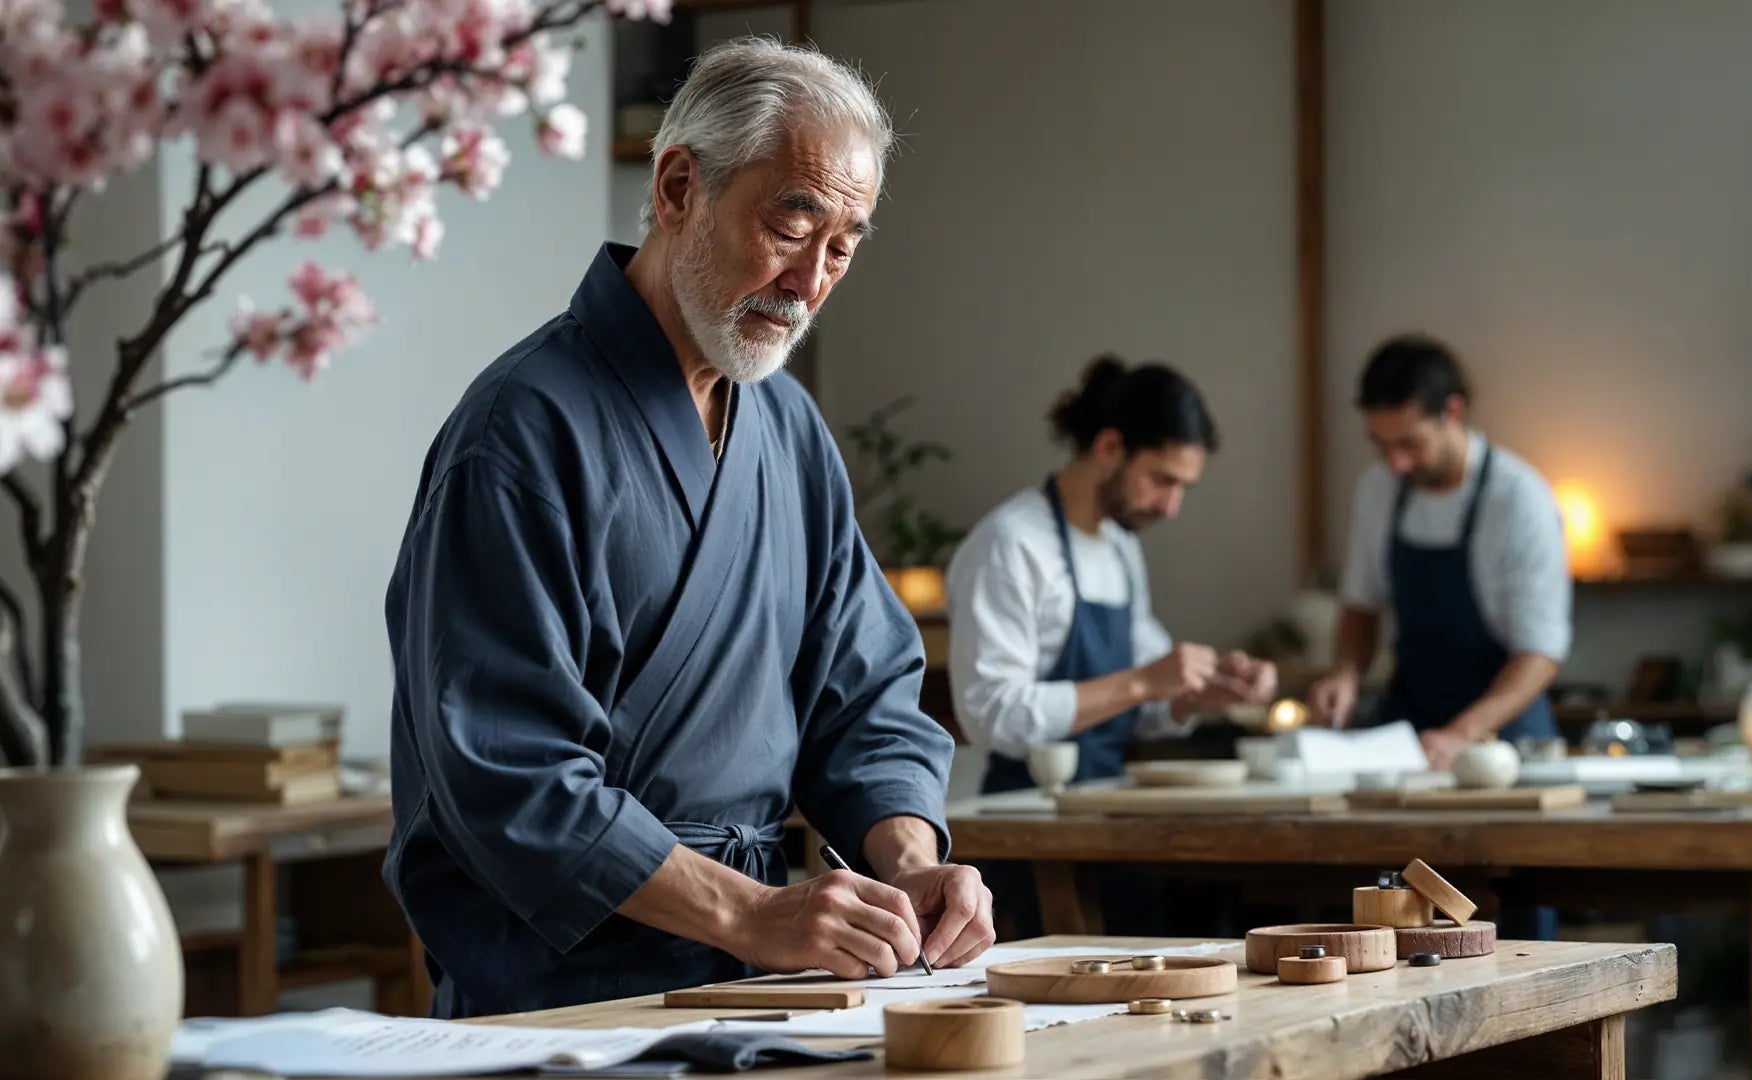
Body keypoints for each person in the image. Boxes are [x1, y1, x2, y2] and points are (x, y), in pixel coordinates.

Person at [380, 37, 993, 1020]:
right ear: (678, 188)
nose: (810, 281)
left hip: (761, 986)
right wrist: (747, 913)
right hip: (559, 996)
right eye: (793, 225)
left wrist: (909, 860)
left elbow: (864, 693)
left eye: (843, 246)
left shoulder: (787, 431)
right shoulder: (520, 435)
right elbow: (510, 772)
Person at [943, 356, 1276, 935]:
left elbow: (1143, 704)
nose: (1172, 505)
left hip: (1111, 820)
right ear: (1109, 447)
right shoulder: (1012, 544)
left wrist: (1201, 693)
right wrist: (1145, 680)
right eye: (1163, 480)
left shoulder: (1120, 549)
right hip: (1029, 829)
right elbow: (989, 713)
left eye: (1183, 487)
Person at [1309, 334, 1571, 771]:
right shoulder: (1377, 491)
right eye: (1381, 445)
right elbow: (1360, 606)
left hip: (1503, 743)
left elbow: (1539, 654)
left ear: (1452, 412)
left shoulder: (1519, 500)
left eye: (1410, 445)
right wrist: (1345, 674)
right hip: (1408, 731)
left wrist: (1461, 734)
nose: (1396, 463)